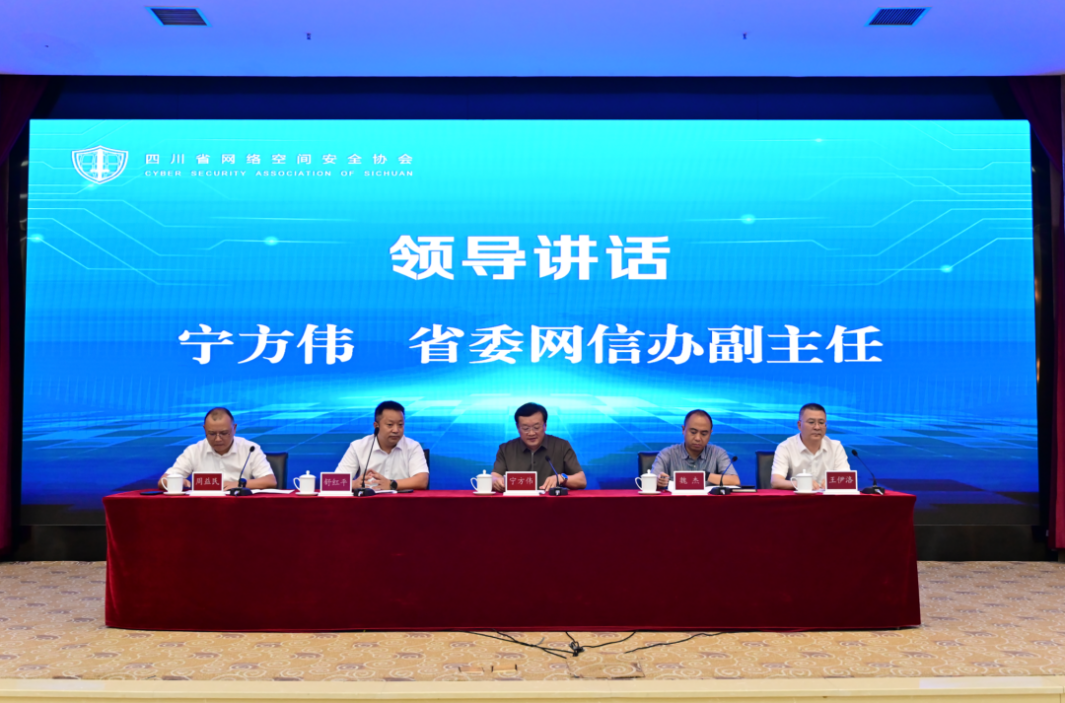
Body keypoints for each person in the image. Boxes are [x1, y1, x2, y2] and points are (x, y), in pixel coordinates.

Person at [158, 407, 276, 490]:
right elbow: (162, 481)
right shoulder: (194, 451)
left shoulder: (250, 448)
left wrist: (239, 484)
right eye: (212, 434)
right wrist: (179, 482)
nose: (218, 439)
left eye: (224, 433)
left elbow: (270, 481)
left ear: (234, 428)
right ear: (204, 429)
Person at [492, 402, 587, 492]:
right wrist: (497, 481)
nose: (531, 433)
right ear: (517, 427)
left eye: (536, 427)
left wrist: (561, 478)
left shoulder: (562, 446)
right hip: (517, 502)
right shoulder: (506, 449)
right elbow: (494, 476)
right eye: (525, 428)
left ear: (545, 425)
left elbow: (581, 480)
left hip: (552, 502)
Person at [336, 400, 429, 491]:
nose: (396, 430)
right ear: (376, 425)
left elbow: (422, 481)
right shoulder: (358, 447)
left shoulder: (413, 447)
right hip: (368, 501)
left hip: (402, 501)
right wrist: (353, 484)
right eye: (390, 424)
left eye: (400, 424)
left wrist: (391, 484)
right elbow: (335, 482)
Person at [770, 402, 850, 490]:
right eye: (811, 422)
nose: (817, 427)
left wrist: (834, 482)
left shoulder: (835, 447)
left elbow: (847, 480)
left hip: (827, 497)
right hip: (799, 497)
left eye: (821, 422)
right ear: (799, 425)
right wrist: (800, 483)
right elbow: (776, 481)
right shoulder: (786, 447)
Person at [651, 409, 739, 489]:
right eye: (693, 432)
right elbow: (651, 482)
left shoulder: (718, 453)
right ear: (683, 430)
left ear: (710, 433)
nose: (698, 438)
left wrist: (704, 475)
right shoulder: (667, 454)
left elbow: (735, 481)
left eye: (704, 434)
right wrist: (659, 481)